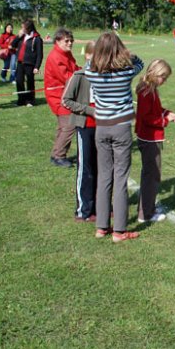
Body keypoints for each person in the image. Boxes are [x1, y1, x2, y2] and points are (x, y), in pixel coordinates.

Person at [85, 32, 144, 243]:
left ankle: (101, 227)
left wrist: (98, 56)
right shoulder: (126, 72)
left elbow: (89, 63)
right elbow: (140, 63)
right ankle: (119, 231)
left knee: (104, 177)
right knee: (120, 178)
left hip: (102, 128)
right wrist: (127, 55)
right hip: (121, 128)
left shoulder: (91, 72)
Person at [135, 59, 175, 224]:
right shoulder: (146, 91)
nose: (164, 81)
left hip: (150, 138)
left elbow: (155, 110)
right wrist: (165, 120)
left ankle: (147, 208)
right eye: (163, 77)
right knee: (151, 176)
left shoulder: (150, 89)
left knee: (151, 174)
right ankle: (145, 213)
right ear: (155, 74)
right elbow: (147, 118)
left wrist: (167, 113)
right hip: (149, 139)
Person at [62, 41, 97, 222]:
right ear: (88, 55)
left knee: (102, 168)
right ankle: (83, 210)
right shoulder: (79, 75)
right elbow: (66, 100)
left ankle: (99, 206)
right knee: (86, 168)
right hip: (85, 127)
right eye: (95, 55)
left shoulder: (105, 76)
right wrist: (89, 110)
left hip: (103, 128)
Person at [44, 28, 80, 168]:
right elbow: (67, 77)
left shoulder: (66, 53)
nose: (70, 43)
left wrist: (85, 71)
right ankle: (59, 156)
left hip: (66, 94)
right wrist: (83, 78)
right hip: (58, 96)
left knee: (63, 127)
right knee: (69, 125)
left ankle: (56, 154)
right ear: (58, 41)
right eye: (67, 41)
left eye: (71, 40)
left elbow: (74, 69)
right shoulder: (55, 56)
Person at [10, 19, 43, 107]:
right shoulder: (22, 36)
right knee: (19, 81)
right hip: (20, 63)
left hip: (30, 64)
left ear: (28, 28)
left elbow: (40, 54)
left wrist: (37, 67)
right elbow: (12, 45)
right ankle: (21, 100)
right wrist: (18, 36)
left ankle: (30, 101)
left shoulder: (37, 39)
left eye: (23, 28)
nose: (22, 29)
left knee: (30, 82)